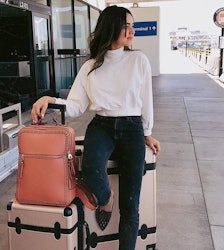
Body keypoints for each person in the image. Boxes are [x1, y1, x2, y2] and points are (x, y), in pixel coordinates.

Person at [31, 5, 160, 250]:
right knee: (89, 170)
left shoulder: (138, 60)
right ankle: (106, 199)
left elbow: (146, 100)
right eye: (126, 25)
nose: (132, 30)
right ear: (111, 28)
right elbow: (77, 106)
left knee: (131, 206)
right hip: (101, 126)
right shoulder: (91, 66)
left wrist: (147, 133)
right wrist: (50, 100)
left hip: (132, 127)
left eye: (133, 25)